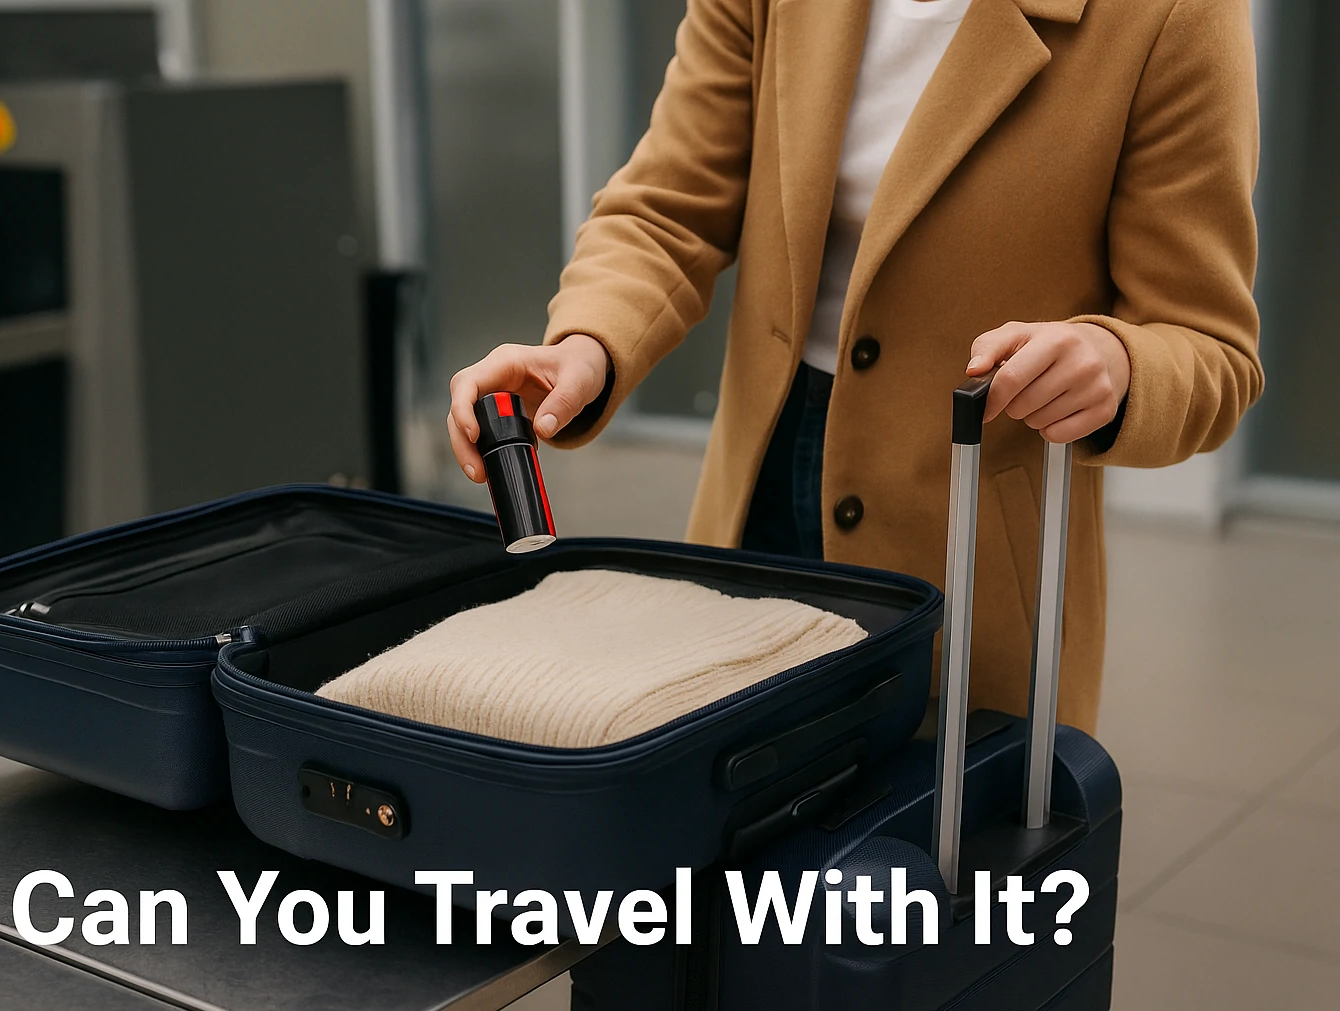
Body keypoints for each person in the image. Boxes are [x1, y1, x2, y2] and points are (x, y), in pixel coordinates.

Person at [446, 0, 1262, 733]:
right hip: (763, 478)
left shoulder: (1173, 15)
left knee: (926, 871)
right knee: (736, 837)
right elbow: (669, 203)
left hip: (971, 538)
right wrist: (585, 344)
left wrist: (1118, 362)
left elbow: (1208, 343)